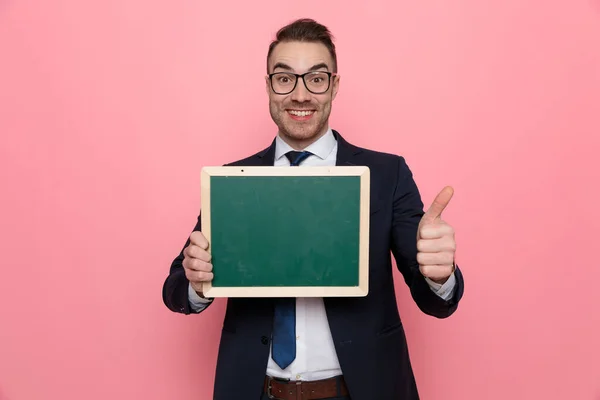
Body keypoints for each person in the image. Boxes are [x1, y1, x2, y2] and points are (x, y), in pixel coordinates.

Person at [162, 18, 464, 400]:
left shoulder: (387, 174)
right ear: (269, 86)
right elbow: (176, 289)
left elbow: (434, 301)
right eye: (285, 78)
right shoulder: (231, 181)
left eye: (316, 79)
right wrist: (195, 279)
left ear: (334, 86)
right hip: (258, 391)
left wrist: (440, 274)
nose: (300, 95)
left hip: (360, 390)